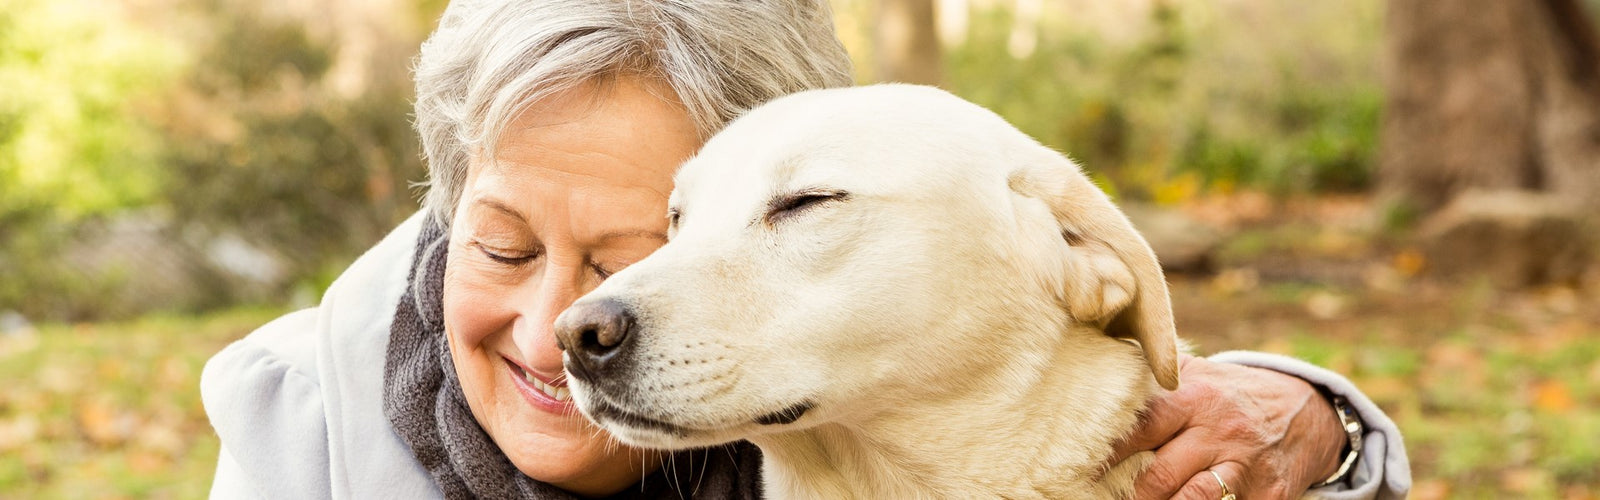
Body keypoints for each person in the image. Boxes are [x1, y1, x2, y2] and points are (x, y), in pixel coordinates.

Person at [199, 1, 1410, 498]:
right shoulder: (302, 427)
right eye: (502, 244)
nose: (567, 322)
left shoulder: (861, 380)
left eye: (634, 246)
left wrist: (1324, 422)